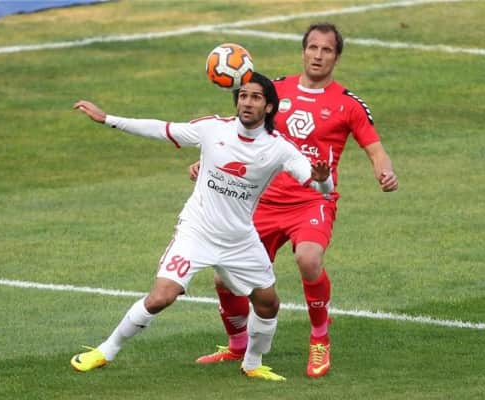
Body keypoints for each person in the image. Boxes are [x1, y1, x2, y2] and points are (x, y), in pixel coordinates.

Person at [69, 72, 334, 382]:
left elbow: (321, 188)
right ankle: (105, 351)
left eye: (256, 97)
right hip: (197, 232)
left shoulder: (279, 148)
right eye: (243, 96)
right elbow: (162, 129)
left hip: (240, 239)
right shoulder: (213, 128)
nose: (247, 103)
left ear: (269, 107)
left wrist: (323, 178)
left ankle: (252, 363)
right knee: (161, 296)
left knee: (268, 304)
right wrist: (108, 119)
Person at [192, 23, 399, 378]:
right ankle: (237, 345)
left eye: (327, 50)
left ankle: (319, 339)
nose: (318, 55)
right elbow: (238, 129)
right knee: (224, 279)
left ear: (337, 57)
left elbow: (375, 149)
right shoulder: (276, 90)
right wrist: (209, 161)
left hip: (312, 201)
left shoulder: (348, 104)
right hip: (263, 201)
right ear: (303, 51)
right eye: (313, 48)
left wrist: (385, 172)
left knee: (308, 258)